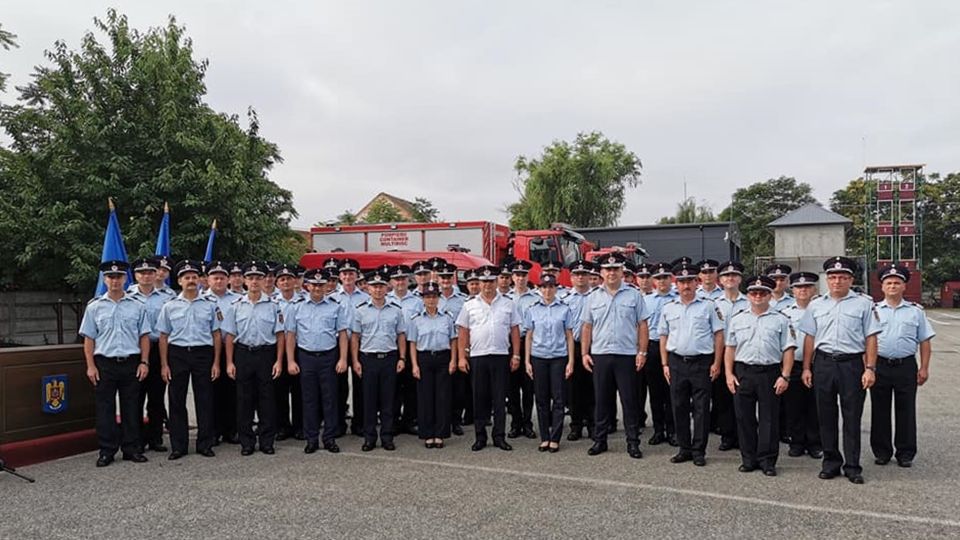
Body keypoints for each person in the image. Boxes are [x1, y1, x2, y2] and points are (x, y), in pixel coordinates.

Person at [799, 256, 880, 484]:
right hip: (823, 364)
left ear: (851, 279)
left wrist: (870, 368)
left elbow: (871, 338)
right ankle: (831, 462)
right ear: (827, 279)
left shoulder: (864, 303)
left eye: (842, 277)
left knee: (852, 416)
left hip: (852, 365)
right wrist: (807, 367)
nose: (836, 281)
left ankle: (852, 466)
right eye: (832, 277)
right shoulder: (816, 304)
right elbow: (809, 338)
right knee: (825, 416)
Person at [80, 260, 151, 467]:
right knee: (105, 408)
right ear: (105, 279)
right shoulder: (94, 307)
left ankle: (131, 448)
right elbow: (89, 339)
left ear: (125, 279)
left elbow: (144, 336)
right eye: (111, 277)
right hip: (105, 364)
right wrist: (90, 366)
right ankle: (107, 450)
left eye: (119, 276)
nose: (115, 280)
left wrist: (144, 362)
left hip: (131, 362)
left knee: (132, 408)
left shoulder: (137, 306)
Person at [724, 275, 796, 476]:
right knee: (744, 417)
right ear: (748, 295)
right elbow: (730, 348)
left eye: (763, 293)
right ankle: (748, 459)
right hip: (743, 372)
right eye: (754, 292)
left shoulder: (781, 319)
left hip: (770, 373)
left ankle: (767, 461)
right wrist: (729, 374)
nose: (758, 296)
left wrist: (785, 376)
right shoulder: (738, 319)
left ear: (769, 295)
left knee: (769, 419)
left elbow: (788, 350)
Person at [581, 252, 650, 459]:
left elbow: (642, 325)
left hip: (626, 354)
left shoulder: (634, 295)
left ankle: (633, 442)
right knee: (602, 400)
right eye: (607, 269)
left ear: (622, 272)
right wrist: (584, 352)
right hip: (601, 354)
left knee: (629, 401)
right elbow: (587, 326)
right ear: (601, 272)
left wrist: (642, 351)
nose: (611, 273)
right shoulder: (593, 297)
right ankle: (600, 440)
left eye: (615, 269)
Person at [659, 262, 724, 466]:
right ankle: (684, 449)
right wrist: (665, 364)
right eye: (681, 281)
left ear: (697, 282)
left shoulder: (709, 306)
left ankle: (699, 451)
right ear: (676, 284)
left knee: (701, 408)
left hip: (701, 363)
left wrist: (717, 363)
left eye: (689, 281)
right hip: (677, 362)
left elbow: (719, 335)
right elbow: (663, 336)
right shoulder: (668, 308)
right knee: (678, 407)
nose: (686, 285)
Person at [870, 264, 935, 468]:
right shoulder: (873, 311)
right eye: (888, 283)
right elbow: (867, 341)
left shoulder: (916, 312)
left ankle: (905, 452)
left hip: (906, 365)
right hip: (879, 364)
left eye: (897, 283)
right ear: (882, 287)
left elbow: (924, 341)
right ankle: (881, 451)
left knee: (906, 410)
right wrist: (868, 367)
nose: (892, 286)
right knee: (879, 410)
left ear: (904, 286)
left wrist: (924, 367)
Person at [156, 260, 221, 460]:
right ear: (179, 281)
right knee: (176, 401)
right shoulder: (169, 306)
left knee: (205, 400)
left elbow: (216, 334)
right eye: (187, 278)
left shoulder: (210, 305)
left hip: (203, 353)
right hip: (178, 354)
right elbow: (163, 336)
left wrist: (216, 362)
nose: (191, 281)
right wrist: (165, 364)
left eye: (194, 277)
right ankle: (179, 446)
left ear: (200, 280)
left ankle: (205, 444)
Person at [456, 265, 521, 451]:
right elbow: (463, 332)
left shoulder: (508, 303)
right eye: (484, 282)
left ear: (496, 282)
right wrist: (462, 357)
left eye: (491, 281)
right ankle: (480, 436)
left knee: (499, 398)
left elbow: (515, 330)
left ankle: (499, 436)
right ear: (479, 283)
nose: (487, 285)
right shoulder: (469, 305)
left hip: (501, 356)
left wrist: (516, 354)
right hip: (478, 357)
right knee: (479, 398)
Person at [222, 261, 285, 456]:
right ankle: (247, 442)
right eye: (251, 278)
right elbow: (230, 336)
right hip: (243, 354)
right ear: (245, 281)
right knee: (244, 400)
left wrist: (279, 361)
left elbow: (280, 335)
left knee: (267, 400)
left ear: (265, 279)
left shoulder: (274, 305)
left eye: (259, 277)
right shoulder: (235, 306)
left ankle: (267, 441)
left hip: (266, 354)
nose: (255, 281)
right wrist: (230, 362)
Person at [285, 268, 350, 454]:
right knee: (309, 400)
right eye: (314, 284)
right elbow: (291, 335)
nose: (317, 288)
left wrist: (343, 359)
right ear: (307, 286)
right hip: (306, 357)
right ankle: (311, 439)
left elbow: (343, 335)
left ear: (326, 286)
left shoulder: (335, 306)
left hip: (329, 357)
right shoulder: (296, 307)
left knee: (330, 400)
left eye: (321, 285)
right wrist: (290, 361)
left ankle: (329, 438)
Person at [351, 268, 407, 451]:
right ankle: (369, 437)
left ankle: (387, 436)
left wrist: (402, 358)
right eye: (374, 286)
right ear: (368, 288)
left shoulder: (396, 311)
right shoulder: (360, 311)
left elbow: (401, 335)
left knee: (388, 401)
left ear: (387, 288)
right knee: (369, 401)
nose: (377, 290)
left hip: (389, 358)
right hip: (368, 359)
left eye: (381, 286)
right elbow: (355, 337)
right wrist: (356, 361)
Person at [127, 257, 174, 453]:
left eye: (150, 272)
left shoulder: (168, 297)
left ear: (156, 274)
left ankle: (155, 438)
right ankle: (136, 440)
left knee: (156, 396)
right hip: (134, 350)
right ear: (135, 275)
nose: (146, 276)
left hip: (159, 348)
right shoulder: (127, 295)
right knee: (135, 396)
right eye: (142, 273)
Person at [524, 274, 574, 452]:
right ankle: (545, 436)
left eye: (551, 287)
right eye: (544, 287)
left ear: (556, 288)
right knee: (542, 398)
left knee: (559, 399)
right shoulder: (532, 309)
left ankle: (555, 437)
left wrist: (571, 361)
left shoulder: (564, 309)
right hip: (539, 357)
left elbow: (569, 336)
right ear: (539, 289)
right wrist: (527, 361)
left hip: (559, 357)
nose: (547, 290)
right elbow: (529, 336)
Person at [408, 282, 457, 449]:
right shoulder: (416, 320)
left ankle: (440, 434)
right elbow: (413, 343)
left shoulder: (447, 317)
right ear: (422, 299)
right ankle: (428, 434)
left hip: (443, 358)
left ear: (439, 298)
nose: (431, 300)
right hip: (424, 358)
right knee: (425, 397)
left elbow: (453, 340)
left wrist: (453, 360)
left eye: (434, 297)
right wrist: (414, 365)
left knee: (443, 397)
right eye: (427, 297)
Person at [780, 272, 823, 459]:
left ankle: (814, 443)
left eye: (807, 287)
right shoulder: (785, 313)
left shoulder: (822, 309)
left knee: (816, 405)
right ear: (793, 290)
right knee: (793, 405)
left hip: (818, 363)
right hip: (793, 364)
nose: (803, 290)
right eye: (798, 287)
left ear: (814, 289)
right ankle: (796, 441)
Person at [204, 261, 242, 445]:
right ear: (208, 280)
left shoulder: (236, 299)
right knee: (211, 392)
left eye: (222, 277)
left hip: (233, 349)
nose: (219, 281)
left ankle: (231, 430)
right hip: (208, 350)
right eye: (215, 277)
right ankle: (213, 431)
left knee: (232, 391)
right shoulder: (202, 299)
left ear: (228, 279)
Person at [712, 261, 748, 452]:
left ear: (740, 279)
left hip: (742, 355)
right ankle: (727, 436)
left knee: (743, 399)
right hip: (720, 353)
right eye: (726, 276)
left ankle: (744, 436)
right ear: (721, 280)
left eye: (734, 275)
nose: (730, 279)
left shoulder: (750, 301)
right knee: (723, 398)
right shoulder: (713, 304)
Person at [561, 260, 597, 441]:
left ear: (590, 276)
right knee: (573, 389)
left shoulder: (597, 296)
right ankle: (576, 426)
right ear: (572, 277)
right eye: (577, 274)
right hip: (573, 346)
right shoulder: (565, 299)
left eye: (584, 274)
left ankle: (592, 424)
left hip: (593, 346)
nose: (581, 277)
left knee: (592, 387)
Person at [644, 262, 678, 446]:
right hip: (652, 346)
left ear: (671, 278)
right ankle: (658, 430)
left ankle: (672, 430)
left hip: (672, 347)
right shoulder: (647, 300)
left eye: (665, 277)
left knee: (671, 391)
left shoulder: (678, 297)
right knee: (655, 392)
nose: (662, 281)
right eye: (658, 278)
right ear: (653, 280)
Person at [335, 258, 369, 437]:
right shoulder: (332, 297)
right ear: (339, 276)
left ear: (357, 276)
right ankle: (339, 423)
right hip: (337, 346)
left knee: (360, 385)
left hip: (360, 345)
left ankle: (360, 424)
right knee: (338, 387)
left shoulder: (366, 297)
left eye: (351, 273)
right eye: (344, 273)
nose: (347, 276)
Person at [387, 264, 422, 436]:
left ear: (408, 280)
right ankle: (393, 421)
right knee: (392, 387)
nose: (400, 282)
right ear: (391, 282)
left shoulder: (417, 301)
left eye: (403, 279)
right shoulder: (385, 299)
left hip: (412, 346)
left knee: (411, 387)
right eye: (396, 279)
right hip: (392, 347)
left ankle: (410, 420)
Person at [506, 259, 538, 439]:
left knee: (528, 387)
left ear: (528, 276)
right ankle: (515, 423)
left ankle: (527, 423)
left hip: (529, 343)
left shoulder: (536, 298)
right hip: (509, 344)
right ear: (512, 277)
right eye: (517, 275)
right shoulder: (504, 298)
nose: (520, 278)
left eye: (523, 275)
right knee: (511, 388)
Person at [436, 263, 469, 435]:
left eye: (449, 277)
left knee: (458, 388)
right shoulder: (432, 297)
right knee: (441, 388)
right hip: (439, 347)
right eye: (442, 277)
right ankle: (442, 420)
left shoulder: (462, 299)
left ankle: (456, 420)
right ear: (437, 279)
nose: (446, 280)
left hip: (458, 346)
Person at [274, 263, 304, 441]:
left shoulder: (304, 300)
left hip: (299, 349)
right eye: (282, 279)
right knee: (279, 391)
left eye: (289, 279)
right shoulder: (271, 302)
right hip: (278, 351)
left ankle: (300, 426)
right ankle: (282, 426)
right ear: (277, 283)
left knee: (300, 390)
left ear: (295, 281)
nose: (286, 282)